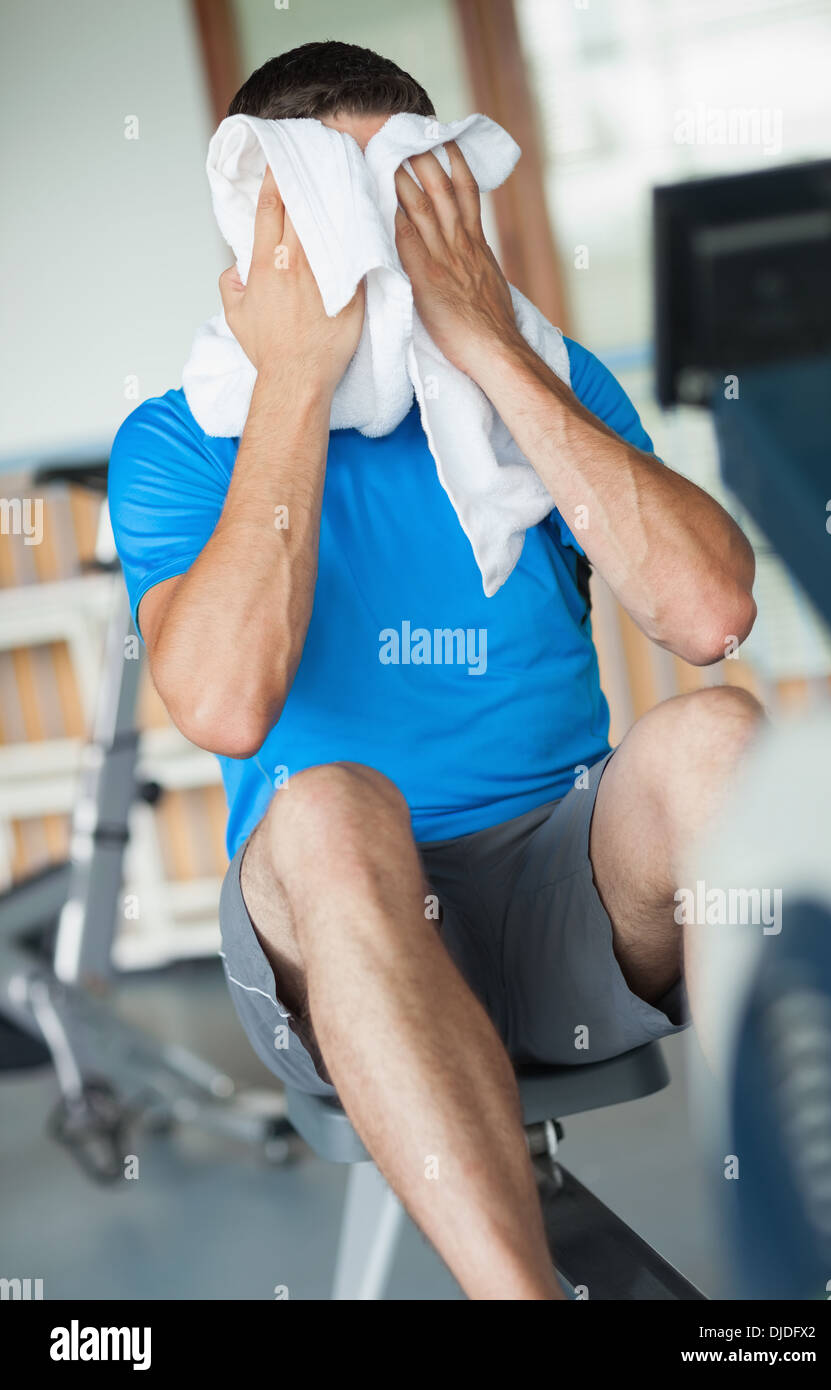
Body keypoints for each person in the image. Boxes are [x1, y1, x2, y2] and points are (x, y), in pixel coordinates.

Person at [109, 41, 762, 1300]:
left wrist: (488, 344)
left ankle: (804, 1226)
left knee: (719, 737)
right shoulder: (180, 442)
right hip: (335, 920)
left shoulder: (543, 386)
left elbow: (708, 613)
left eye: (402, 209)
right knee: (330, 806)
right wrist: (297, 374)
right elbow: (228, 707)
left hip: (570, 905)